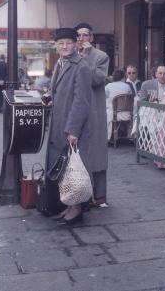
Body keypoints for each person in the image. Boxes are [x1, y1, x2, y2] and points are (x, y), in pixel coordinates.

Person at [46, 27, 92, 225]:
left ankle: (77, 208)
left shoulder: (80, 66)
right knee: (63, 167)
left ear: (76, 44)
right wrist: (48, 97)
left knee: (72, 167)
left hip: (70, 125)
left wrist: (73, 129)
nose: (64, 46)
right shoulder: (60, 62)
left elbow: (81, 101)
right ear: (56, 46)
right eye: (61, 43)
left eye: (68, 43)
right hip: (59, 122)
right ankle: (69, 205)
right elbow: (55, 88)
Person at [75, 23, 110, 208]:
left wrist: (87, 59)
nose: (82, 39)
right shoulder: (71, 55)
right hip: (75, 111)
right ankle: (79, 196)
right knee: (76, 154)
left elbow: (97, 80)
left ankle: (100, 196)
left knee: (96, 153)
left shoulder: (101, 56)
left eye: (85, 35)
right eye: (78, 36)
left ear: (92, 38)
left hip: (93, 111)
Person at [105, 69, 132, 141]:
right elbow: (131, 96)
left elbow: (104, 96)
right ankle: (127, 134)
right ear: (123, 77)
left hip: (114, 114)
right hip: (126, 113)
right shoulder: (127, 86)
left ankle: (107, 136)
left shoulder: (108, 86)